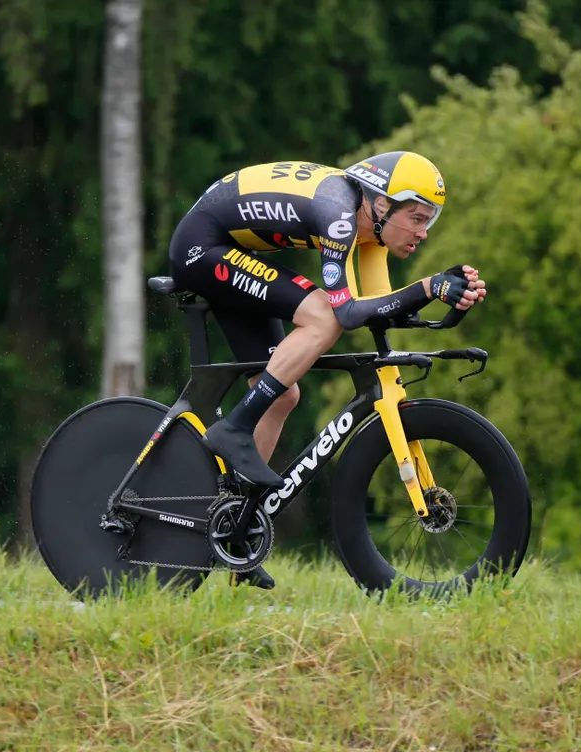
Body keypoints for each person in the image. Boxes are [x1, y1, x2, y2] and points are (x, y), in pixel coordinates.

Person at [167, 152, 486, 588]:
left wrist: (446, 296)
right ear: (381, 204)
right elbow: (348, 314)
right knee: (322, 317)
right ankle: (234, 427)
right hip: (202, 247)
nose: (423, 232)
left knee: (281, 394)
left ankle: (237, 533)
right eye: (415, 217)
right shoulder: (337, 214)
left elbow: (381, 309)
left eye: (429, 220)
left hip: (233, 250)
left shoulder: (370, 231)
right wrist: (428, 286)